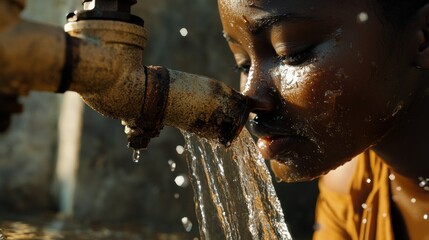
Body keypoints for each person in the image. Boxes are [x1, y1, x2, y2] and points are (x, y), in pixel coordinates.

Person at [218, 0, 429, 239]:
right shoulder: (350, 192)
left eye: (292, 53)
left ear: (425, 35)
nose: (251, 97)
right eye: (243, 66)